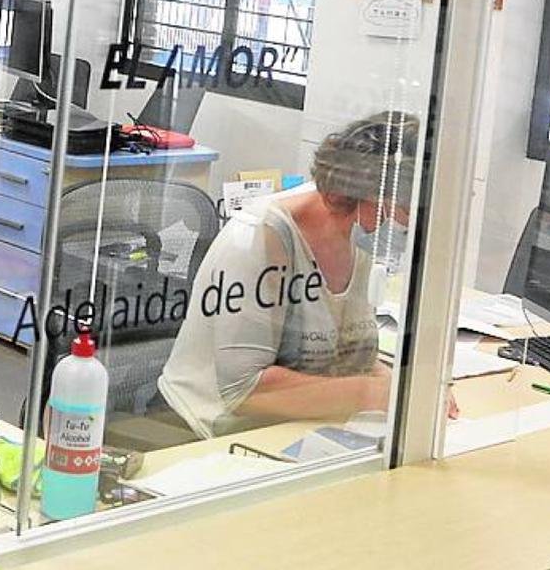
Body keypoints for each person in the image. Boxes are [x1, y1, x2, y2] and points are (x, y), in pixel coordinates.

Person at [159, 112, 423, 439]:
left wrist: (405, 387)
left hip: (302, 428)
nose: (408, 224)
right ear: (365, 193)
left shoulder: (360, 235)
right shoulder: (259, 237)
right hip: (207, 433)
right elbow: (246, 390)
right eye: (406, 210)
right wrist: (372, 394)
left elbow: (350, 357)